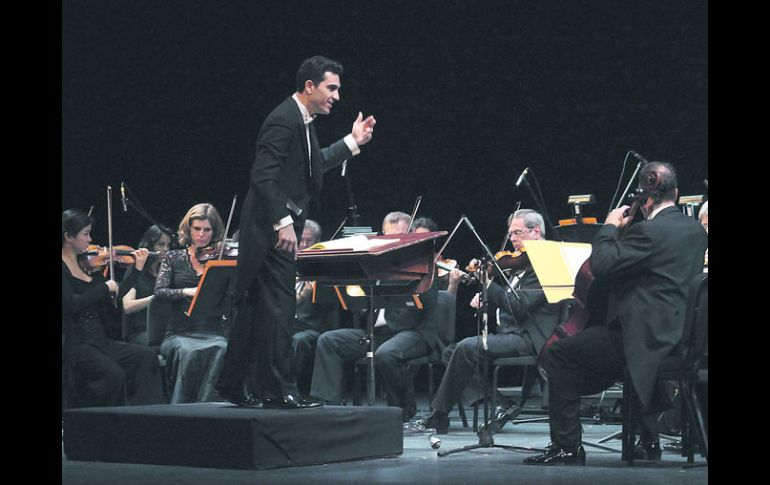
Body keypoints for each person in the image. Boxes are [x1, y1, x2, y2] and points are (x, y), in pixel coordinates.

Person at [215, 55, 376, 409]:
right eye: (331, 88)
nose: (336, 96)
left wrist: (352, 142)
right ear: (309, 86)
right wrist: (283, 222)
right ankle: (277, 390)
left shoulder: (302, 120)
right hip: (271, 229)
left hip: (270, 227)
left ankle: (231, 382)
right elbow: (263, 176)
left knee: (257, 307)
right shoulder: (284, 119)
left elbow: (313, 166)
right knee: (279, 307)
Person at [524, 162, 708, 465]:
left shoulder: (648, 232)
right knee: (607, 338)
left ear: (645, 198)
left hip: (644, 341)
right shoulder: (696, 231)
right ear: (675, 193)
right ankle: (647, 439)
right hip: (680, 339)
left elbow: (602, 264)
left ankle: (568, 447)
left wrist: (610, 227)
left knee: (559, 354)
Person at [411, 209, 562, 433]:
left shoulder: (547, 262)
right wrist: (487, 300)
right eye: (510, 234)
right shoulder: (521, 264)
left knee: (466, 347)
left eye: (517, 233)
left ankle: (438, 416)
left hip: (532, 336)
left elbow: (519, 307)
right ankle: (500, 404)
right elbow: (508, 305)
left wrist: (489, 286)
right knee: (451, 351)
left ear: (536, 231)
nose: (512, 239)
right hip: (511, 333)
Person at [309, 211, 439, 422]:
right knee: (329, 340)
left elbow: (429, 303)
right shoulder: (376, 264)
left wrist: (411, 276)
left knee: (386, 354)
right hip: (376, 333)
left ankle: (401, 412)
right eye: (388, 237)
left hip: (413, 333)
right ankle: (328, 409)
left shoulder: (422, 264)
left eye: (398, 237)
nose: (392, 242)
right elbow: (361, 304)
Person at [62, 209, 165, 409]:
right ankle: (98, 420)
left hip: (101, 342)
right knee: (113, 375)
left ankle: (148, 416)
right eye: (85, 234)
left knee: (146, 357)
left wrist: (137, 270)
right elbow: (71, 304)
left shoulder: (87, 266)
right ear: (68, 237)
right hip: (76, 345)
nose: (90, 239)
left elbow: (114, 301)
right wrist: (103, 288)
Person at [154, 203, 229, 403]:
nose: (201, 235)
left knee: (222, 347)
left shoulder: (221, 259)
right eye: (197, 229)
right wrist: (186, 291)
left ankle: (205, 405)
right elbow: (159, 292)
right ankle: (182, 406)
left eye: (207, 230)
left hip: (213, 331)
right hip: (179, 332)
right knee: (187, 351)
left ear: (214, 232)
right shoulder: (173, 257)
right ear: (188, 229)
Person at [291, 219, 341, 398]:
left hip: (310, 328)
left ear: (317, 242)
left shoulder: (323, 271)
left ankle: (291, 390)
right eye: (301, 240)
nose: (304, 245)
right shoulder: (285, 268)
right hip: (286, 326)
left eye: (309, 241)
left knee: (299, 341)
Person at [119, 225, 172, 345]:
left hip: (164, 329)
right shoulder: (136, 271)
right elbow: (128, 306)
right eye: (161, 244)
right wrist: (156, 298)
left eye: (168, 245)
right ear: (150, 246)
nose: (166, 249)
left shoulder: (167, 271)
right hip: (140, 332)